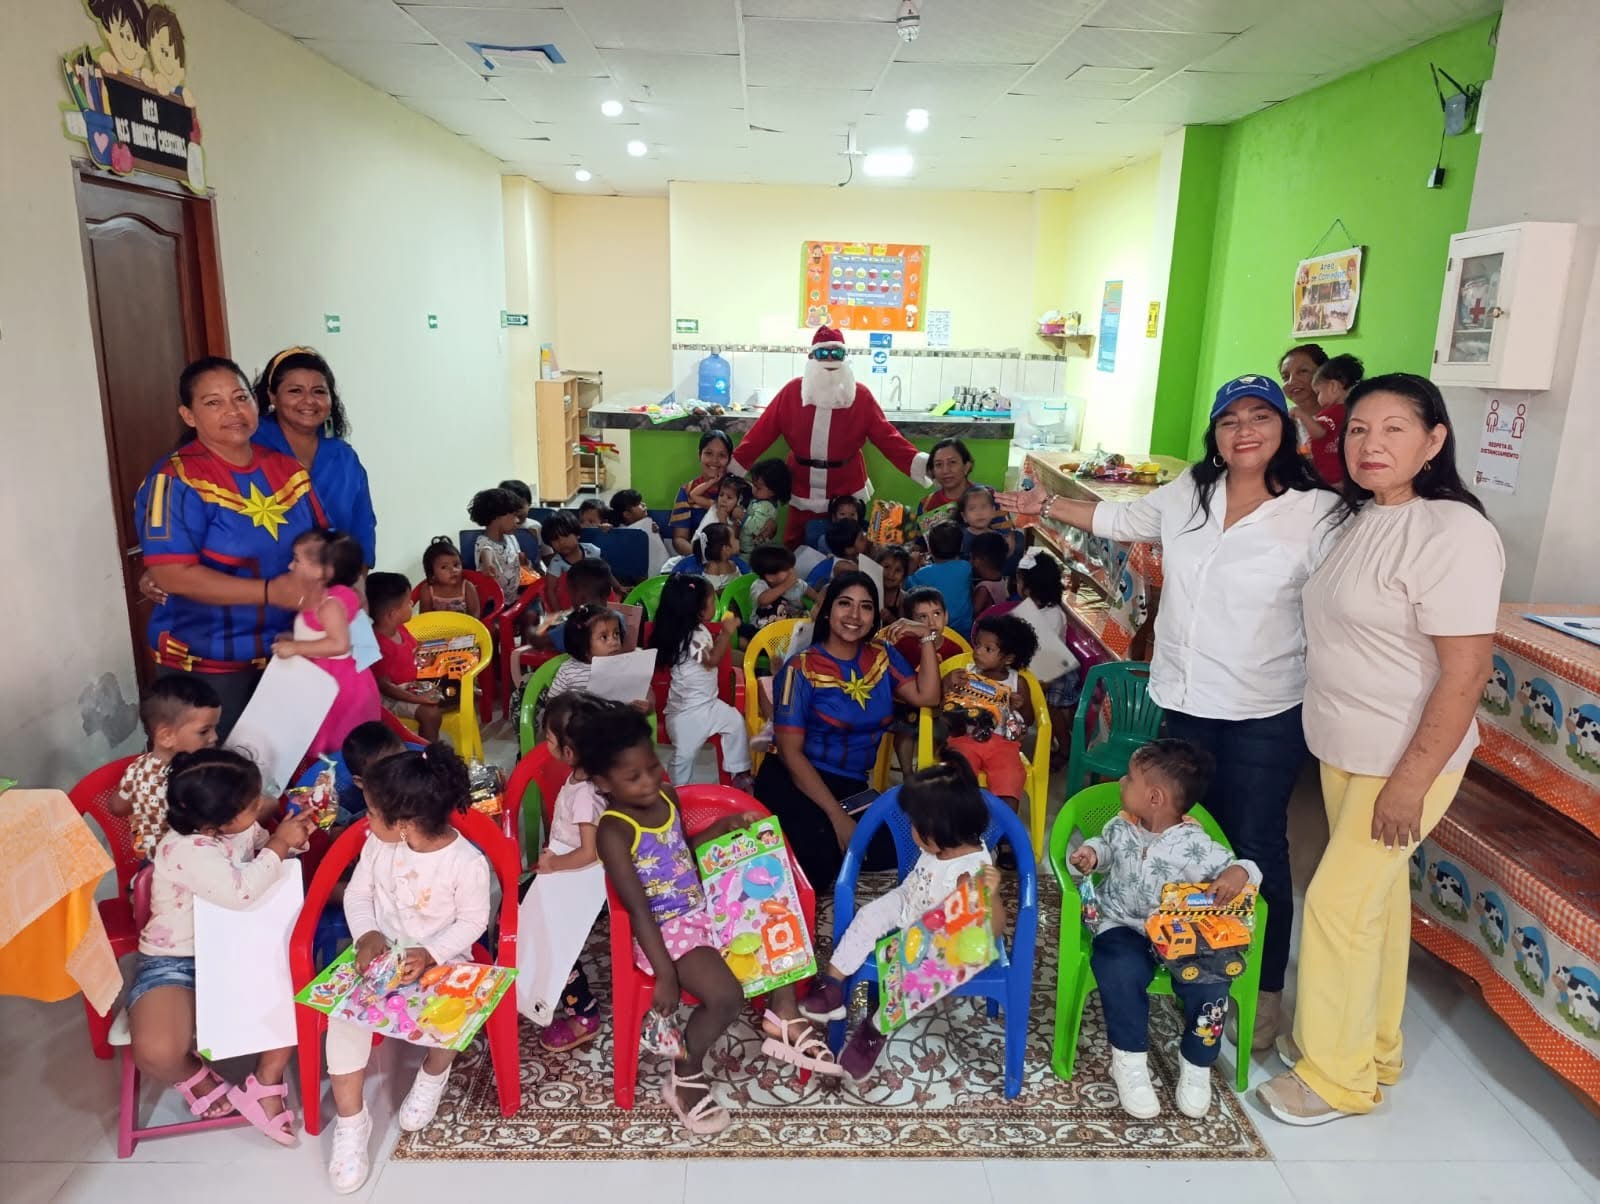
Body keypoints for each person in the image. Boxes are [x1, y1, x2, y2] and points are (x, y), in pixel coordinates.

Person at [997, 373, 1342, 1052]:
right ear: (1216, 433)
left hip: (1264, 707)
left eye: (1260, 417)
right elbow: (1118, 520)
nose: (1244, 431)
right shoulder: (1191, 492)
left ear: (1285, 429)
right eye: (1230, 420)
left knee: (1255, 844)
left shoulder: (1319, 511)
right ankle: (1183, 955)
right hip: (1184, 700)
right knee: (1181, 834)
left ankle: (1260, 991)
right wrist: (1047, 505)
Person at [1259, 373, 1505, 1127]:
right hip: (1346, 746)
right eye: (1360, 429)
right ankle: (1373, 1047)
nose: (1372, 444)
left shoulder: (1454, 533)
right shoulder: (1358, 517)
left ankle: (1335, 1079)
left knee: (1336, 905)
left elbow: (1467, 672)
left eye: (1395, 429)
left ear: (1434, 441)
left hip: (1405, 758)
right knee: (1377, 905)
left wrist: (1409, 783)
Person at [581, 703, 841, 1135]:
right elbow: (638, 908)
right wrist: (665, 972)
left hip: (703, 907)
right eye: (634, 777)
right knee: (725, 997)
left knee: (770, 917)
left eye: (653, 766)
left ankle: (782, 1012)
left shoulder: (666, 796)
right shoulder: (614, 830)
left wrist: (724, 828)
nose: (650, 781)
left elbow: (679, 853)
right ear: (604, 783)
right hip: (666, 931)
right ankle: (684, 1075)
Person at [129, 749, 317, 1146]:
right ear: (215, 823)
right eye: (252, 804)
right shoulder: (184, 848)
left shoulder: (238, 828)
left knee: (292, 989)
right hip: (176, 960)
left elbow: (266, 855)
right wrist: (279, 843)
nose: (261, 805)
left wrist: (292, 838)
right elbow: (242, 891)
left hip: (238, 947)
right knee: (157, 1051)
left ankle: (265, 1080)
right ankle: (198, 1078)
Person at [326, 743, 491, 1192]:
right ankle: (351, 1123)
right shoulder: (378, 846)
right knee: (343, 1018)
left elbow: (474, 921)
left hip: (441, 959)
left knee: (455, 1011)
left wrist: (432, 953)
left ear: (402, 824)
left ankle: (433, 1075)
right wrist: (367, 934)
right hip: (382, 955)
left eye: (371, 813)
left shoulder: (466, 863)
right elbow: (358, 895)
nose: (365, 821)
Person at [1069, 739, 1261, 1121]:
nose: (1121, 782)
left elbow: (1244, 870)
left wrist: (1239, 872)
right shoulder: (1120, 825)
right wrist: (1091, 854)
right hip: (1122, 922)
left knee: (1211, 984)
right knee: (1119, 970)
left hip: (1179, 935)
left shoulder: (1195, 845)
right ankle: (1129, 1061)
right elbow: (1104, 847)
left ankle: (1197, 1063)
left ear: (1154, 797)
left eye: (1130, 778)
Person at [135, 356, 328, 736]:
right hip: (207, 662)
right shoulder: (173, 480)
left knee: (284, 760)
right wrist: (271, 591)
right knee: (214, 768)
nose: (233, 411)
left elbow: (325, 542)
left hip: (288, 651)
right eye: (213, 402)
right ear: (188, 415)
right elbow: (172, 575)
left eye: (241, 398)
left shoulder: (287, 470)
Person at [797, 759, 1003, 1078]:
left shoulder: (972, 869)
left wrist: (987, 895)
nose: (911, 830)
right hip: (909, 901)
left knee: (912, 977)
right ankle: (833, 985)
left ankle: (875, 1029)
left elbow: (994, 930)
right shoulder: (942, 844)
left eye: (915, 825)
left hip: (940, 941)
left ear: (938, 829)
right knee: (868, 916)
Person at [752, 572, 943, 887]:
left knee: (913, 841)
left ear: (874, 616)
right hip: (797, 778)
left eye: (865, 607)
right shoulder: (800, 669)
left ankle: (822, 837)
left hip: (851, 787)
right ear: (828, 611)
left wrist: (925, 638)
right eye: (845, 604)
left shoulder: (882, 656)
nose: (855, 615)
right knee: (819, 866)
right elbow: (789, 753)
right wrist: (837, 816)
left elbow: (928, 696)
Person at [730, 327, 931, 548]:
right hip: (802, 482)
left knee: (848, 545)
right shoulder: (792, 392)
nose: (829, 359)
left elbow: (887, 437)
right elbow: (761, 432)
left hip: (846, 486)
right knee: (796, 543)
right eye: (822, 353)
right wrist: (732, 467)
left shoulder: (861, 396)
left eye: (836, 353)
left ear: (845, 358)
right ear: (811, 356)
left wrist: (924, 465)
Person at [531, 692, 609, 1053]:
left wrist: (553, 865)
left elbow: (589, 852)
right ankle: (538, 981)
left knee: (552, 938)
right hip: (567, 868)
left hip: (580, 877)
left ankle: (583, 1012)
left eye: (548, 738)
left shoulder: (585, 794)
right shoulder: (581, 778)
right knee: (527, 915)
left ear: (568, 751)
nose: (544, 743)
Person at [252, 346, 377, 566]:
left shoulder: (344, 458)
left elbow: (363, 529)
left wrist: (354, 582)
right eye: (295, 391)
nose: (309, 400)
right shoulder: (249, 447)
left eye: (319, 391)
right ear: (272, 395)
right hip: (261, 582)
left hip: (334, 583)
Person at [274, 529, 381, 757]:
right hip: (328, 677)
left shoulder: (330, 604)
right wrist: (294, 639)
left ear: (324, 570)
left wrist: (296, 648)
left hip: (335, 684)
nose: (291, 566)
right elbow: (321, 634)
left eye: (297, 560)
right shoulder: (327, 597)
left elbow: (339, 643)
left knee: (336, 744)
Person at [652, 576, 755, 791]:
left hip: (709, 704)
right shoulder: (690, 636)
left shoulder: (698, 629)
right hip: (686, 712)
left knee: (736, 723)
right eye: (712, 601)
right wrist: (726, 633)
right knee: (685, 754)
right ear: (698, 609)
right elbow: (712, 660)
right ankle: (679, 790)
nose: (716, 605)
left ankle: (738, 772)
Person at [112, 676, 222, 860]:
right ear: (166, 737)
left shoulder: (137, 767)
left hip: (151, 861)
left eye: (215, 728)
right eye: (204, 731)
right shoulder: (192, 781)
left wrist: (143, 805)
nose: (214, 737)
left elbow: (117, 807)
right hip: (186, 864)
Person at [942, 614, 1037, 810]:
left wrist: (1019, 706)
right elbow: (941, 700)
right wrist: (947, 681)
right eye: (977, 644)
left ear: (1008, 658)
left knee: (1010, 776)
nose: (977, 651)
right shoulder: (965, 673)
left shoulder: (1017, 683)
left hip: (1002, 744)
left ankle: (1004, 824)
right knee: (959, 770)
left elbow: (1029, 720)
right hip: (965, 737)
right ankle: (958, 818)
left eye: (988, 649)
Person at [1007, 551, 1081, 761]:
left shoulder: (1053, 616)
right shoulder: (1032, 608)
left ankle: (1065, 749)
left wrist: (1041, 683)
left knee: (1050, 710)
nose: (1016, 584)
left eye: (1019, 580)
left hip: (1054, 673)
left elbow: (1048, 655)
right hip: (1036, 668)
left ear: (1028, 588)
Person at [890, 587, 964, 776]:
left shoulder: (956, 650)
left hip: (941, 709)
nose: (931, 622)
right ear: (911, 622)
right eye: (922, 617)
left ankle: (937, 771)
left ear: (946, 616)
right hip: (908, 705)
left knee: (950, 730)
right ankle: (908, 774)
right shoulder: (904, 646)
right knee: (905, 728)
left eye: (937, 614)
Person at [365, 571, 443, 741]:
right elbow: (385, 687)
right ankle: (428, 751)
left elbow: (414, 649)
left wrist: (429, 658)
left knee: (449, 691)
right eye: (408, 602)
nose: (412, 603)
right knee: (431, 714)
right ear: (392, 614)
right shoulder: (378, 644)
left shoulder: (399, 629)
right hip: (391, 697)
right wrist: (417, 698)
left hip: (410, 685)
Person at [548, 603, 650, 713]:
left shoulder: (623, 665)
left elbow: (646, 691)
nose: (614, 642)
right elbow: (552, 703)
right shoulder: (568, 671)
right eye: (604, 637)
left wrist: (647, 704)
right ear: (582, 643)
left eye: (616, 634)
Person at [918, 439, 1012, 537]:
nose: (945, 470)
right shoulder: (926, 505)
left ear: (966, 467)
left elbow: (1008, 540)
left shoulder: (990, 495)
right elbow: (920, 544)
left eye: (952, 462)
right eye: (938, 464)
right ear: (933, 471)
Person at [669, 430, 735, 556]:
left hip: (730, 559)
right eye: (708, 453)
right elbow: (679, 539)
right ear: (699, 455)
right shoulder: (687, 491)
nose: (714, 460)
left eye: (722, 455)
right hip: (696, 557)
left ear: (729, 459)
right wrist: (702, 558)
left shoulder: (739, 490)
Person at [906, 521, 974, 637]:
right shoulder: (966, 567)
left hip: (934, 631)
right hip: (965, 632)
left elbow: (905, 586)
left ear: (930, 549)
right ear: (961, 546)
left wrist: (912, 564)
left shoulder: (922, 574)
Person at [1306, 353, 1364, 486]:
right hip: (1352, 474)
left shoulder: (1331, 413)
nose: (1318, 399)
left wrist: (1301, 416)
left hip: (1332, 474)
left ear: (1333, 386)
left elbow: (1318, 432)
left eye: (1318, 392)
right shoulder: (1358, 409)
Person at [469, 487, 529, 599]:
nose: (517, 520)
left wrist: (523, 561)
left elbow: (520, 564)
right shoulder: (482, 541)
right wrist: (488, 564)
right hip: (494, 601)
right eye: (514, 515)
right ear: (497, 516)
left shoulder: (512, 539)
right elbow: (487, 551)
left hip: (513, 597)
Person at [542, 512, 604, 608]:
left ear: (577, 535)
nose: (562, 542)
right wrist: (559, 613)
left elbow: (603, 572)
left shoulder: (591, 550)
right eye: (555, 539)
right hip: (571, 603)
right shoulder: (556, 563)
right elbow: (551, 590)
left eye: (566, 536)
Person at [748, 544, 814, 627]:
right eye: (787, 569)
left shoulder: (796, 584)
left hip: (794, 624)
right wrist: (787, 583)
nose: (792, 571)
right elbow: (763, 600)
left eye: (792, 567)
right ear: (770, 577)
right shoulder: (759, 585)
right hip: (764, 628)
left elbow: (815, 595)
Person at [1278, 342, 1329, 450]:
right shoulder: (1283, 421)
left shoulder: (1342, 416)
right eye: (1285, 377)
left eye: (1302, 371)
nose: (1291, 381)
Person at [670, 523, 749, 590]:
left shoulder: (733, 564)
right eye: (735, 538)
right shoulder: (712, 569)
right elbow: (712, 594)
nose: (739, 541)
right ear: (726, 549)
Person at [418, 537, 478, 615]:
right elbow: (425, 617)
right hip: (437, 623)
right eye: (444, 567)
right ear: (432, 574)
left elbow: (475, 616)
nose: (453, 570)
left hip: (463, 623)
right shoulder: (427, 590)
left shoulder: (467, 587)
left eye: (456, 565)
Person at [741, 458, 790, 555]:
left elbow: (756, 529)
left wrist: (742, 516)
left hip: (750, 551)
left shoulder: (766, 507)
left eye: (758, 487)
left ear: (772, 491)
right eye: (753, 484)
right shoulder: (761, 498)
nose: (753, 489)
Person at [806, 518, 869, 591]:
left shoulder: (848, 556)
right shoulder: (846, 567)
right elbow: (867, 582)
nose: (866, 538)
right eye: (861, 538)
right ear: (849, 550)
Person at [958, 484, 1015, 557]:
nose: (979, 513)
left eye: (984, 507)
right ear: (964, 516)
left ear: (993, 511)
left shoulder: (998, 538)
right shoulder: (960, 537)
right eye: (972, 508)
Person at [969, 530, 1011, 620]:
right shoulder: (1001, 579)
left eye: (972, 557)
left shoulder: (984, 589)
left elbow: (973, 612)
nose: (970, 561)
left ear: (978, 560)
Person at [879, 545, 910, 622]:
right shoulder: (868, 592)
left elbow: (905, 626)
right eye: (887, 567)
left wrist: (890, 618)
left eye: (898, 570)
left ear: (904, 575)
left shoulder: (903, 599)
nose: (891, 574)